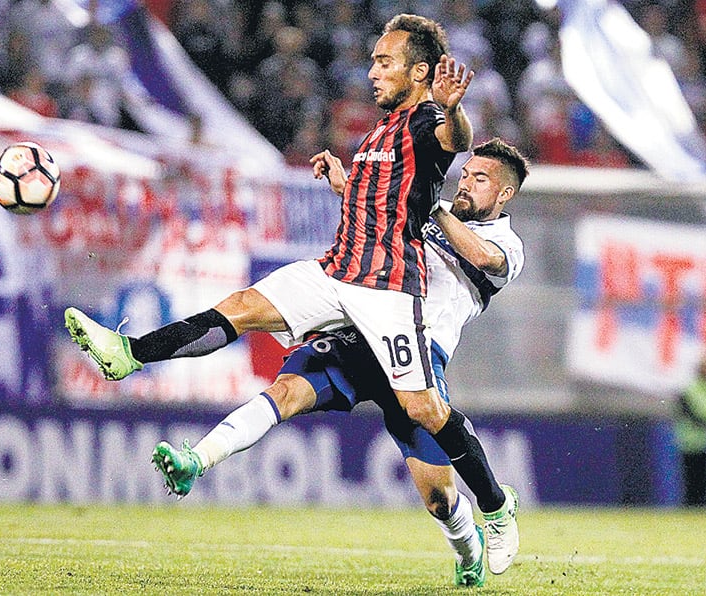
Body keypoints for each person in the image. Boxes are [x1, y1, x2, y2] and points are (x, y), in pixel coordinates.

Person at [65, 11, 503, 568]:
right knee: (244, 309)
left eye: (384, 62)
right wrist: (346, 181)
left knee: (431, 452)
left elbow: (452, 140)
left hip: (386, 296)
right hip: (336, 274)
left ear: (419, 72)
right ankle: (129, 355)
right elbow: (382, 202)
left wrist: (455, 108)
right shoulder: (380, 131)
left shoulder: (427, 122)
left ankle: (489, 511)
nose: (372, 71)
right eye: (372, 60)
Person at [152, 138, 529, 585]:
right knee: (286, 391)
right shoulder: (431, 207)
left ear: (504, 194)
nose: (465, 183)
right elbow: (378, 214)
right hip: (362, 335)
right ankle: (197, 459)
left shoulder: (505, 242)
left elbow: (484, 257)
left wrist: (433, 209)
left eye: (479, 179)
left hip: (418, 359)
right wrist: (344, 185)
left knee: (439, 500)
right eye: (464, 174)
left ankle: (472, 542)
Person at [673, 350, 706, 506]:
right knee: (692, 481)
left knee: (704, 482)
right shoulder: (690, 388)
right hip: (689, 442)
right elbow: (692, 414)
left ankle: (701, 509)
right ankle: (692, 508)